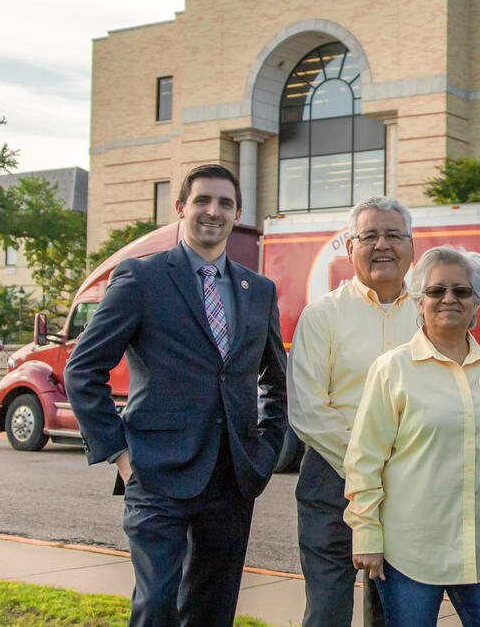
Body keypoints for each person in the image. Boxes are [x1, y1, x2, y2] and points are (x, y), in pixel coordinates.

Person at [64, 164, 289, 627]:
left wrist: (264, 451)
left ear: (237, 212)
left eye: (225, 203)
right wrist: (120, 455)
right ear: (181, 208)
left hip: (232, 477)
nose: (213, 211)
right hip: (155, 472)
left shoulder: (258, 289)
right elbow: (83, 369)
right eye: (203, 200)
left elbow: (276, 381)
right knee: (157, 606)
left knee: (213, 608)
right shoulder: (140, 279)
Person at [344, 246, 480, 627]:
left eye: (461, 291)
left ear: (476, 302)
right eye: (436, 291)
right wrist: (367, 536)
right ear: (418, 300)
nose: (448, 299)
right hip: (410, 554)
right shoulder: (393, 369)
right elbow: (364, 461)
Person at [288, 196, 417, 627]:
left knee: (393, 612)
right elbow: (308, 409)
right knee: (327, 612)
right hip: (331, 480)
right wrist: (369, 465)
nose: (382, 245)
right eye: (369, 235)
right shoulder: (322, 315)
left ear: (411, 246)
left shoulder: (429, 315)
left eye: (393, 235)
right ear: (349, 248)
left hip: (408, 486)